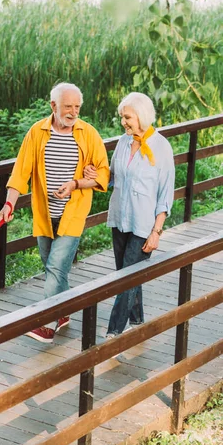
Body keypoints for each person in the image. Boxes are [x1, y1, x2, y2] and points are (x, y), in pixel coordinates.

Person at [0, 82, 109, 344]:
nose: (73, 112)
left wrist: (78, 183)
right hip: (45, 213)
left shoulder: (88, 134)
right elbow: (20, 172)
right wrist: (9, 203)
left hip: (73, 212)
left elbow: (104, 173)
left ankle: (46, 324)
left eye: (77, 107)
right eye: (68, 106)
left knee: (56, 268)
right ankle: (64, 312)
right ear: (53, 106)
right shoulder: (37, 132)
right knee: (52, 269)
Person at [84, 92, 175, 339]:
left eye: (127, 117)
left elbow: (165, 194)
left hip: (143, 225)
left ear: (141, 116)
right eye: (122, 117)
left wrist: (156, 231)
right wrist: (94, 173)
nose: (123, 121)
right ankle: (137, 321)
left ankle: (114, 331)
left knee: (125, 279)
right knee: (129, 274)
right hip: (120, 219)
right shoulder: (123, 143)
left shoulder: (161, 147)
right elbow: (112, 177)